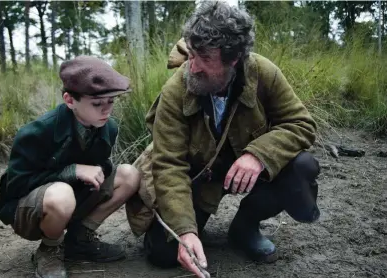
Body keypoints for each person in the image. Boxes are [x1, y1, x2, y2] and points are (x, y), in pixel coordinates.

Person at [125, 2, 321, 277]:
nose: (192, 67)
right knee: (164, 253)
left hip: (250, 170)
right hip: (200, 176)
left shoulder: (264, 73)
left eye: (204, 58)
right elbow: (169, 165)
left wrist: (258, 155)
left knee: (302, 166)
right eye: (191, 54)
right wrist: (185, 231)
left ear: (234, 58)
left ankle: (245, 227)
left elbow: (301, 124)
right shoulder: (175, 90)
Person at [0, 56, 141, 278]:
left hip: (73, 197)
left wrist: (99, 170)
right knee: (61, 195)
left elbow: (102, 165)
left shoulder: (108, 127)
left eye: (111, 101)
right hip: (28, 211)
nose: (106, 110)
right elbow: (16, 187)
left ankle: (78, 240)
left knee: (129, 175)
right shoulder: (36, 132)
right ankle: (50, 249)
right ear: (70, 100)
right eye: (97, 103)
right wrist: (73, 171)